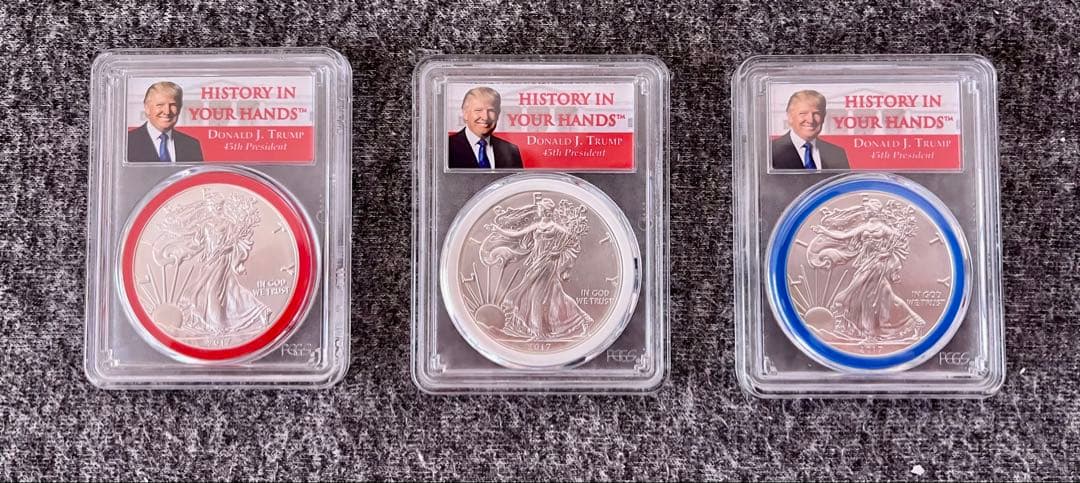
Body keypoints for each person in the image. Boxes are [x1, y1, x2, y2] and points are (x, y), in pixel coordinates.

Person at [771, 89, 849, 170]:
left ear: (823, 117)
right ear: (790, 117)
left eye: (816, 113)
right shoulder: (770, 152)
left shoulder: (837, 154)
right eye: (803, 113)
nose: (810, 120)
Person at [448, 86, 523, 169]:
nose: (485, 117)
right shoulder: (447, 147)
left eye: (491, 111)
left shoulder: (511, 151)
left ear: (498, 114)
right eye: (478, 110)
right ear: (465, 113)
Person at [128, 81, 204, 162]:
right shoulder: (127, 142)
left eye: (173, 105)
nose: (167, 111)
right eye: (160, 105)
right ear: (147, 108)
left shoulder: (192, 145)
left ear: (179, 108)